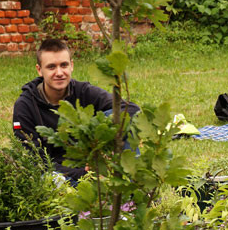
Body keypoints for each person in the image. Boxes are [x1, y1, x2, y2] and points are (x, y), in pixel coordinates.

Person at [13, 39, 140, 184]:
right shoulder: (25, 106)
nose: (59, 72)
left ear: (72, 66)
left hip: (94, 166)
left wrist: (100, 134)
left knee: (124, 121)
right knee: (50, 180)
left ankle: (138, 191)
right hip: (60, 174)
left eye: (64, 65)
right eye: (51, 67)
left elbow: (131, 109)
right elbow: (34, 161)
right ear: (39, 70)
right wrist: (82, 172)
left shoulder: (84, 91)